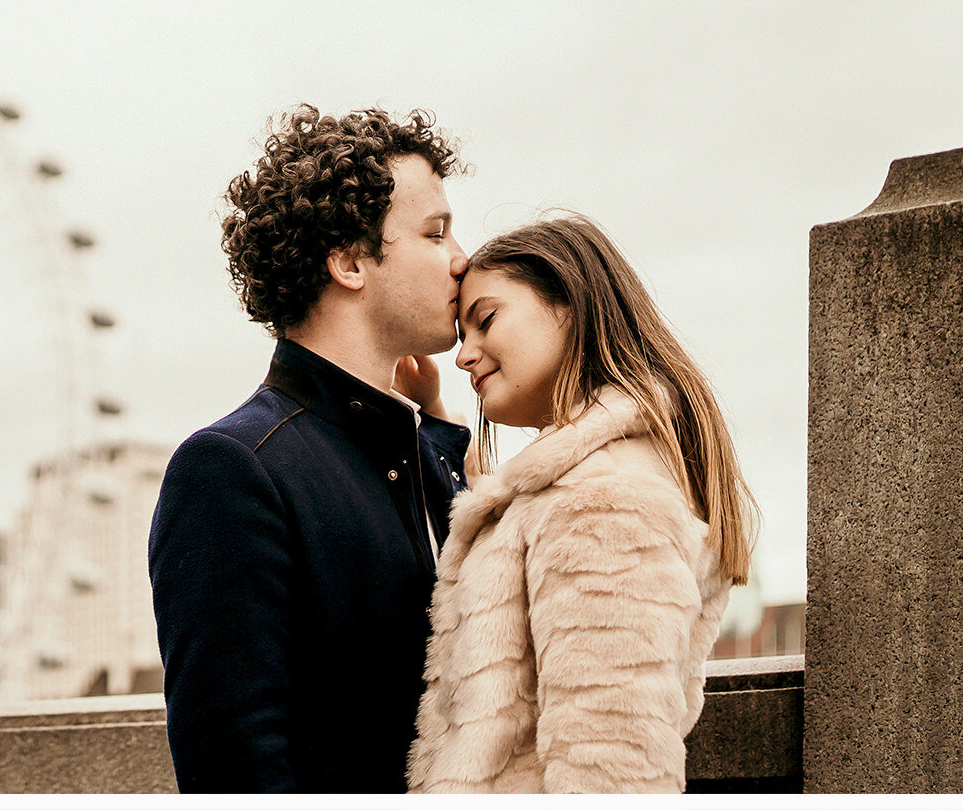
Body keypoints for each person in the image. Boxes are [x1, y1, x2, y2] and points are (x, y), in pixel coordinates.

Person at [148, 105, 471, 792]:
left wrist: (437, 430)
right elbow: (236, 774)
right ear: (351, 260)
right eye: (435, 232)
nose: (462, 258)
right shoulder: (231, 471)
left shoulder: (421, 456)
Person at [409, 215, 759, 793]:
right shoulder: (588, 479)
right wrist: (437, 415)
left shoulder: (604, 504)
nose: (463, 355)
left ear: (570, 303)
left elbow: (611, 766)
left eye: (486, 320)